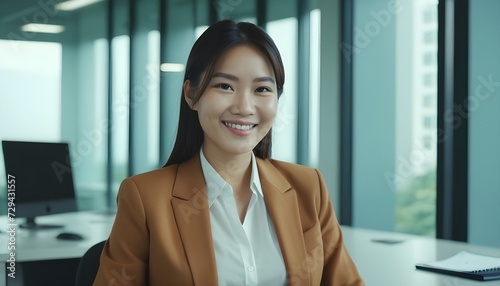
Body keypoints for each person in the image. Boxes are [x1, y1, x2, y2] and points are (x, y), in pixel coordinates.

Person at [93, 19, 364, 286]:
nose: (244, 107)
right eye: (225, 86)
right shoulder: (145, 198)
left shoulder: (308, 187)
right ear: (191, 94)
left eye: (262, 89)